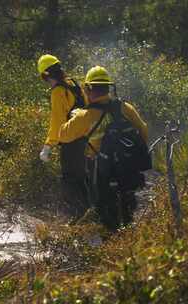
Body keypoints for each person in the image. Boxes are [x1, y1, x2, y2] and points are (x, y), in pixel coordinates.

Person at [59, 66, 148, 230]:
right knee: (127, 209)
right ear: (108, 88)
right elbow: (143, 131)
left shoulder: (84, 116)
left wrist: (75, 116)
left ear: (89, 88)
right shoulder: (125, 108)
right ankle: (127, 239)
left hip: (101, 170)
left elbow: (63, 135)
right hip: (127, 168)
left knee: (104, 211)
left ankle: (109, 244)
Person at [37, 54, 90, 218]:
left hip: (71, 142)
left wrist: (48, 146)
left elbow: (57, 122)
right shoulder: (74, 84)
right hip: (88, 139)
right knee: (85, 178)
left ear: (45, 75)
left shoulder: (58, 91)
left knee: (70, 180)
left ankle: (77, 219)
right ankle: (90, 216)